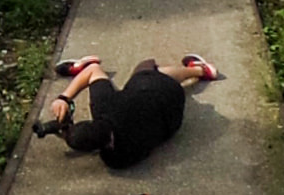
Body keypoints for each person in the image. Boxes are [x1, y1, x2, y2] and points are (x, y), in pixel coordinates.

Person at [40, 52, 218, 170]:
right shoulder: (104, 106)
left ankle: (196, 72)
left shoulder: (118, 159)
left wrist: (71, 137)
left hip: (173, 120)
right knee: (147, 67)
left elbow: (102, 141)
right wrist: (64, 98)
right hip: (164, 89)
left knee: (145, 88)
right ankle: (200, 70)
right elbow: (94, 70)